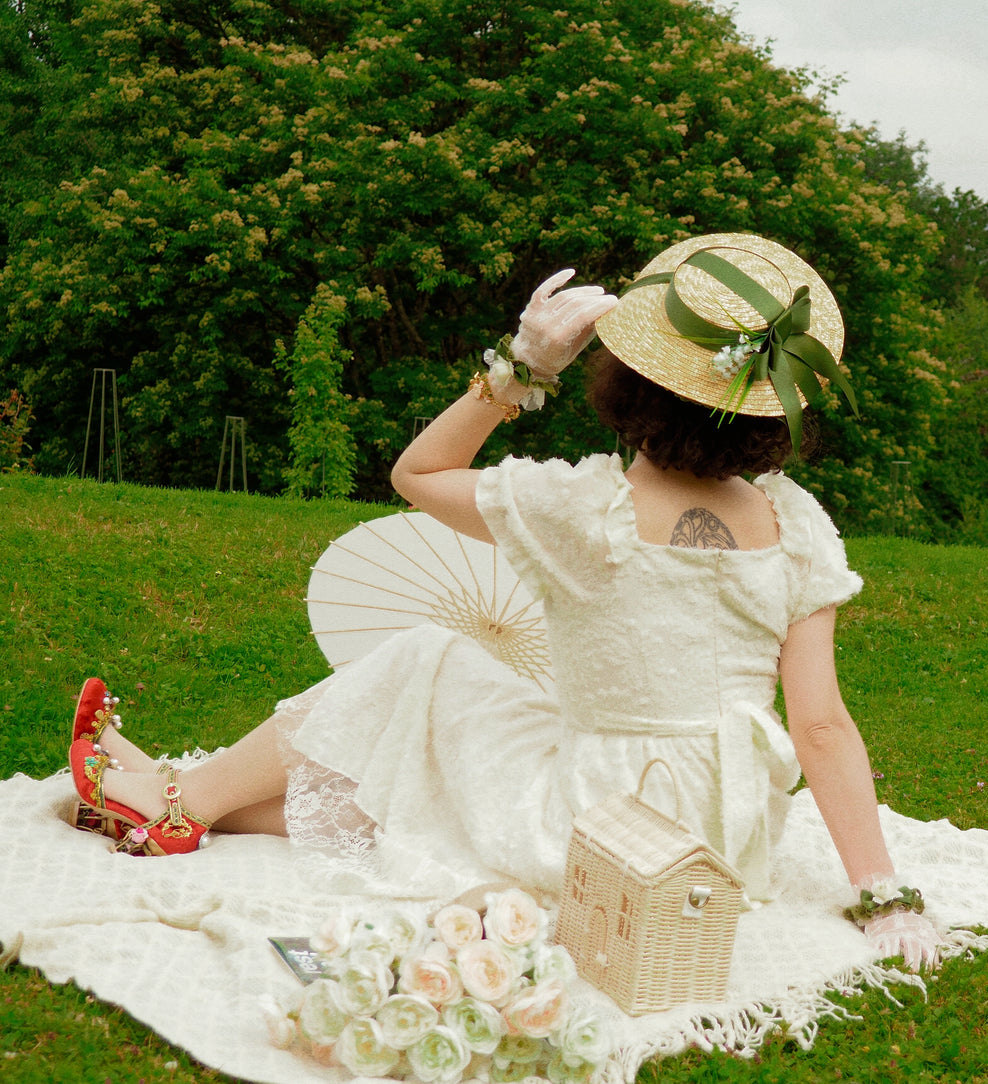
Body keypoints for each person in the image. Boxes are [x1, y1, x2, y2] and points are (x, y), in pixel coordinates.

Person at [66, 232, 942, 970]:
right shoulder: (796, 524)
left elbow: (418, 473)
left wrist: (521, 365)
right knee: (432, 767)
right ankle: (179, 797)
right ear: (770, 411)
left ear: (622, 385)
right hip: (718, 835)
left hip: (596, 822)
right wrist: (882, 892)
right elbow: (821, 725)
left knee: (428, 657)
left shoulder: (584, 510)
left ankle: (168, 801)